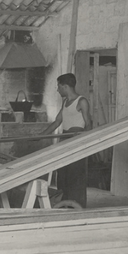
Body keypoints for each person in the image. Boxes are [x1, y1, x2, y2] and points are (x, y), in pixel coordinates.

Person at [42, 73, 92, 207]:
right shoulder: (65, 103)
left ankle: (77, 205)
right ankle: (64, 204)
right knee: (63, 173)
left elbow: (88, 124)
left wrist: (84, 140)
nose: (57, 90)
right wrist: (41, 135)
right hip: (64, 139)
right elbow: (57, 122)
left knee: (75, 174)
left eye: (59, 87)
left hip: (76, 140)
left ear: (65, 86)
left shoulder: (81, 101)